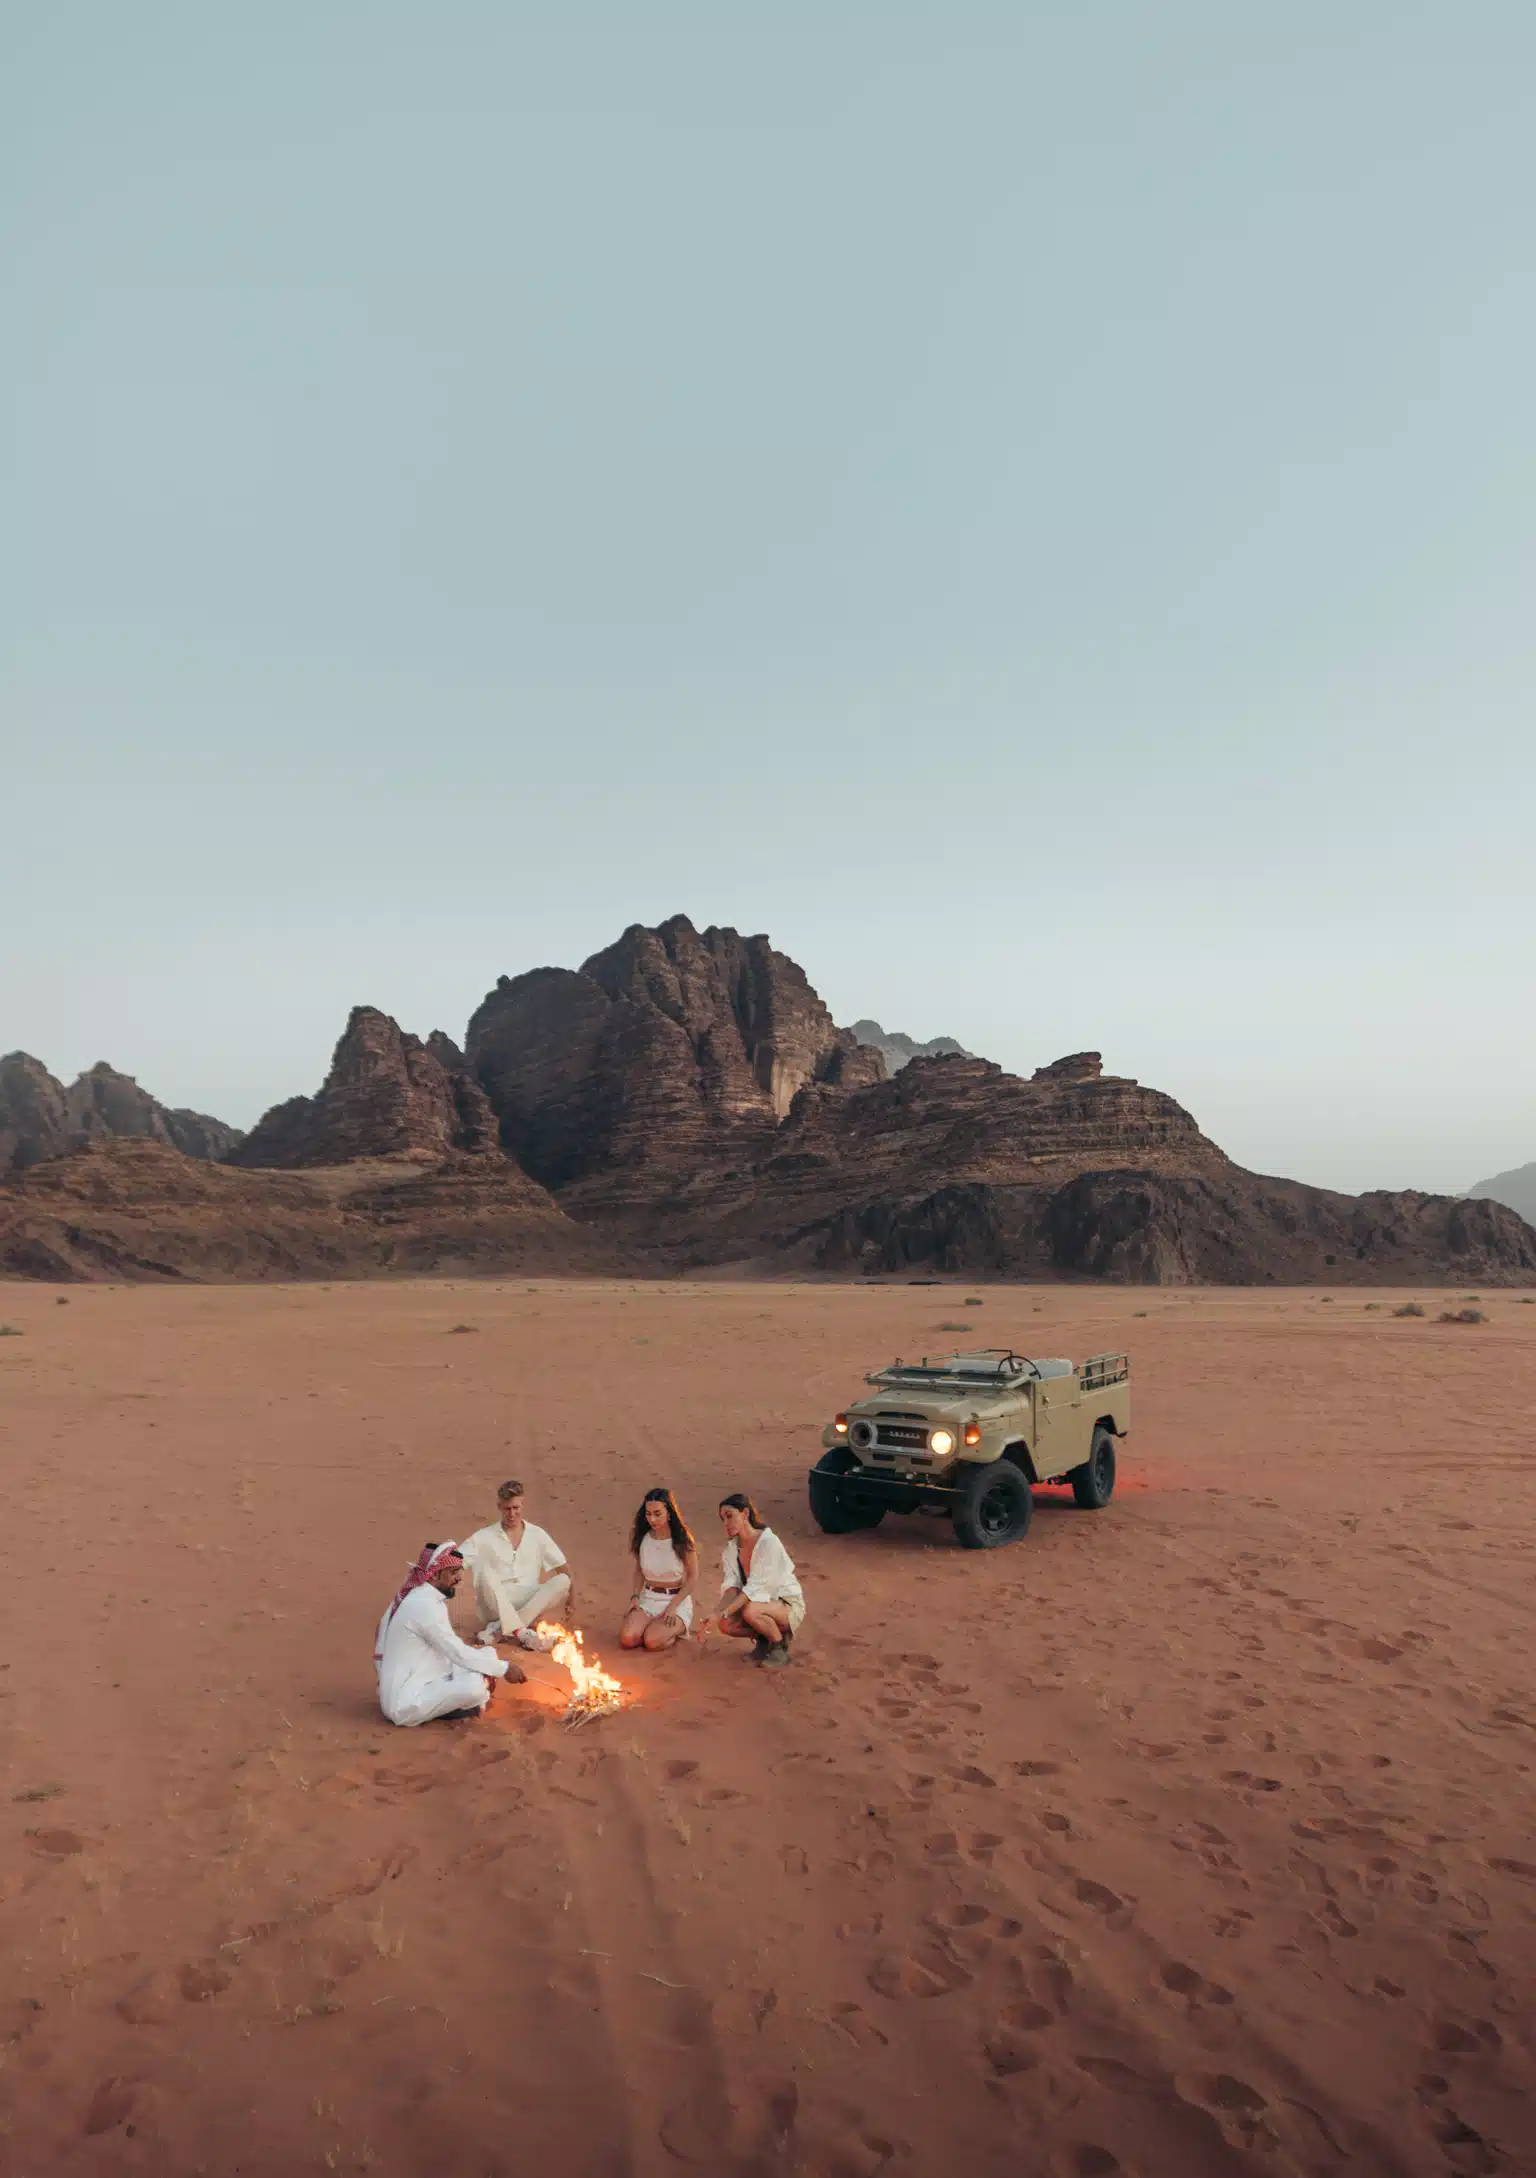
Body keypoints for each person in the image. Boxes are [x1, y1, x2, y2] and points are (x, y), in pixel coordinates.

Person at [374, 1541, 521, 1727]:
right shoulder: (423, 1605)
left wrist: (491, 1667)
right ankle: (462, 1705)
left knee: (487, 1655)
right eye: (453, 1572)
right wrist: (504, 1669)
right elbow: (456, 1652)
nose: (458, 1578)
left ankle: (465, 1696)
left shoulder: (424, 1597)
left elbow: (452, 1649)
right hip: (404, 1703)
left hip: (423, 1675)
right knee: (474, 1689)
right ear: (435, 1574)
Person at [458, 1479, 573, 1652]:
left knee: (563, 1580)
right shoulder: (484, 1536)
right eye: (507, 1509)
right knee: (482, 1569)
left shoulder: (537, 1535)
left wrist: (572, 1600)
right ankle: (520, 1632)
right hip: (495, 1602)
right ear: (499, 1507)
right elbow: (456, 1559)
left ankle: (500, 1630)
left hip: (527, 1601)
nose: (512, 1514)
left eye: (515, 1508)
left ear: (522, 1504)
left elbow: (564, 1568)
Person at [696, 1493, 804, 1669]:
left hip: (786, 1606)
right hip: (757, 1603)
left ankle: (779, 1647)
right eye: (723, 1519)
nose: (726, 1523)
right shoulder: (731, 1549)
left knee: (751, 1610)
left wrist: (723, 1612)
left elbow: (754, 1589)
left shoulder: (768, 1543)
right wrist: (717, 1614)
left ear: (745, 1513)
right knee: (725, 1623)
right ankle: (765, 1639)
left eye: (730, 1516)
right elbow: (732, 1587)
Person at [619, 1487, 699, 1653]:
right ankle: (653, 1627)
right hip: (649, 1598)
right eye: (648, 1514)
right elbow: (639, 1571)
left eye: (657, 1513)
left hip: (675, 1600)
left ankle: (674, 1631)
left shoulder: (682, 1540)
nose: (652, 1519)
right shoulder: (643, 1538)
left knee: (651, 1641)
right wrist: (635, 1597)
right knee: (627, 1639)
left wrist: (673, 1606)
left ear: (669, 1513)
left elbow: (693, 1577)